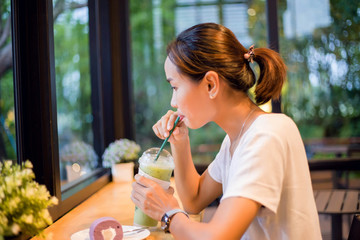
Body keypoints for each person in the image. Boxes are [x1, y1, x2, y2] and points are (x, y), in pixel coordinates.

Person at [131, 23, 322, 240]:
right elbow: (194, 201)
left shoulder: (266, 135)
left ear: (211, 84)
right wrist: (179, 141)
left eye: (175, 87)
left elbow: (219, 237)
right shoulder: (238, 138)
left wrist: (168, 214)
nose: (173, 102)